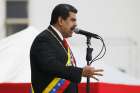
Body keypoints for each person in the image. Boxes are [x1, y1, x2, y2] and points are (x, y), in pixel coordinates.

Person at [30, 4, 103, 93]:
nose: (76, 24)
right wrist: (80, 72)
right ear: (60, 20)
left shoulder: (58, 40)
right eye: (72, 20)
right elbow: (51, 65)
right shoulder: (44, 39)